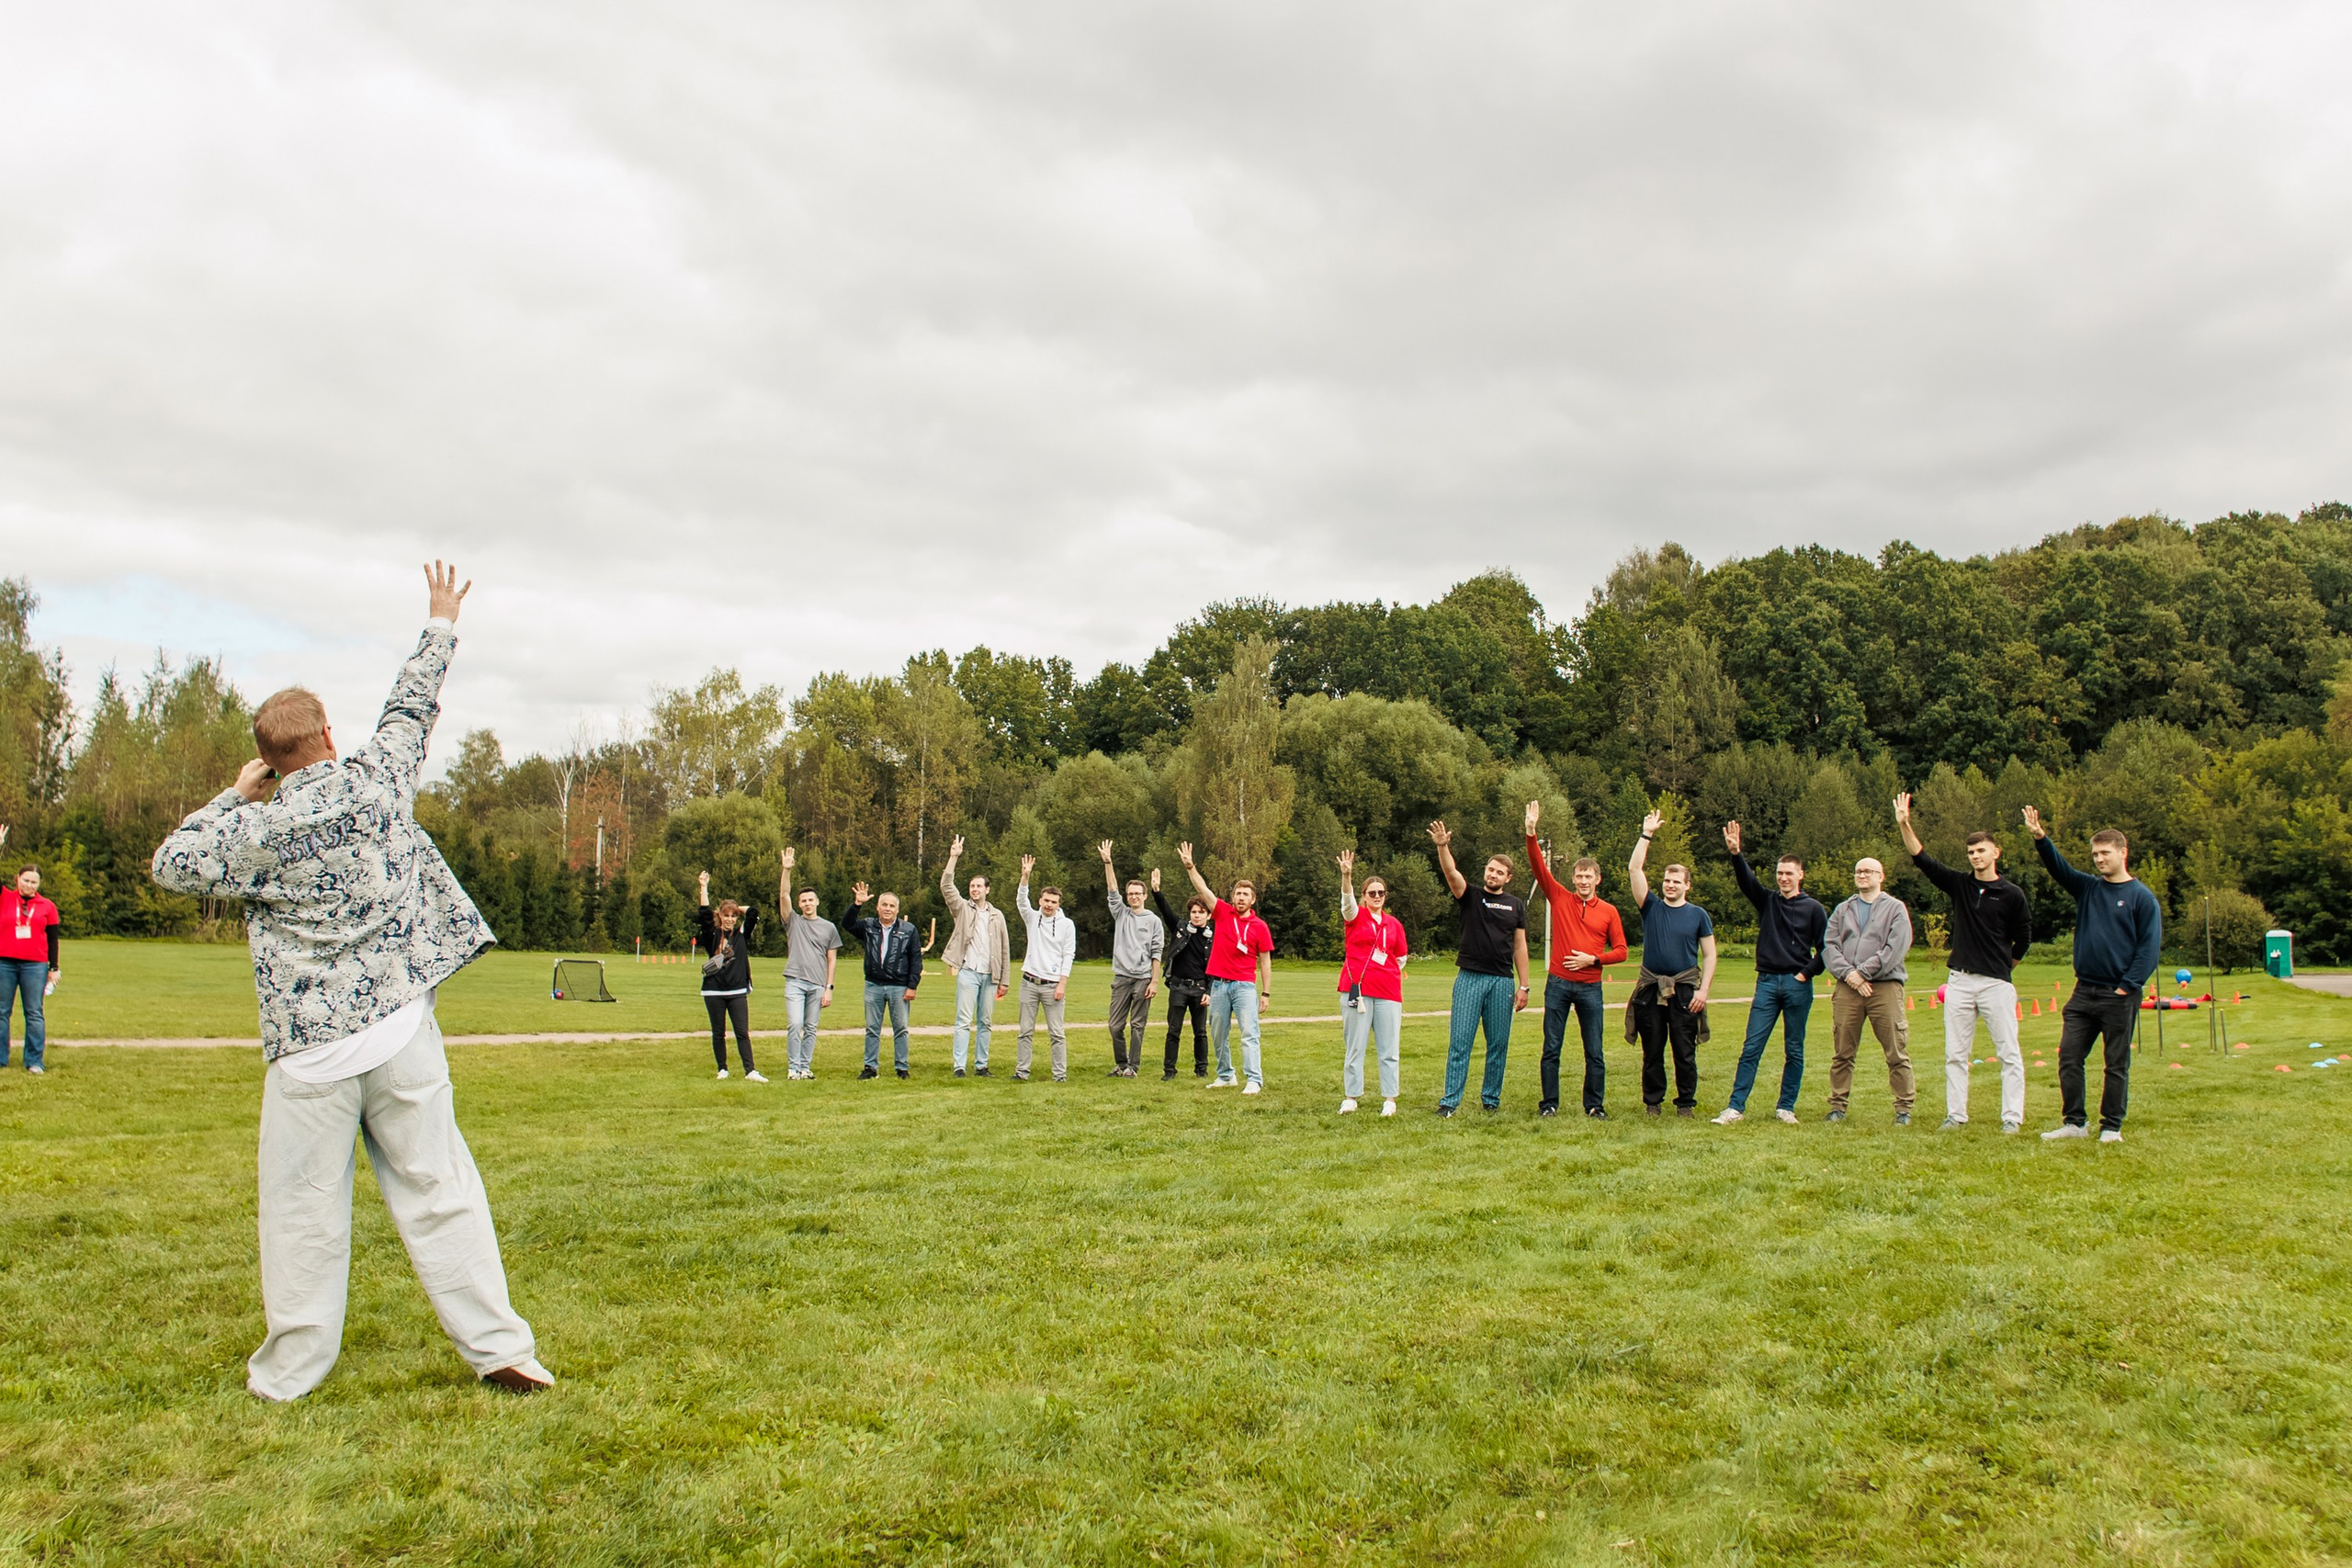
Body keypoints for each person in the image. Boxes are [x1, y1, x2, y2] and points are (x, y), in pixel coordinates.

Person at [149, 561, 548, 1400]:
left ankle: (290, 1372)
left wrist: (232, 796)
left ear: (269, 759)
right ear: (327, 732)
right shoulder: (375, 784)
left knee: (301, 1212)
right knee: (441, 1190)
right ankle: (501, 1348)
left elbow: (170, 863)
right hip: (402, 1030)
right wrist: (440, 620)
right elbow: (412, 709)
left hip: (310, 1054)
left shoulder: (254, 829)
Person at [1895, 793, 2033, 1132]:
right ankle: (1955, 1116)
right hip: (1959, 982)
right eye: (1971, 852)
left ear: (1995, 853)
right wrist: (1904, 823)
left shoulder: (2012, 894)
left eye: (1981, 851)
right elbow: (1922, 859)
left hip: (1996, 984)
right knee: (1955, 1054)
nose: (1975, 857)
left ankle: (2011, 1118)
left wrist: (2004, 965)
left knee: (2009, 1054)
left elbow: (2024, 937)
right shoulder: (1960, 885)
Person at [2026, 808, 2163, 1143]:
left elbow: (2149, 948)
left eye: (2105, 853)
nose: (2099, 859)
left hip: (2119, 995)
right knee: (2069, 1057)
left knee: (2115, 1064)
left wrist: (2127, 987)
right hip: (2083, 993)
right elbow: (2060, 869)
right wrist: (2040, 838)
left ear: (2122, 853)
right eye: (2095, 854)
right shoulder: (2088, 889)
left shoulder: (2142, 898)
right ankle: (2075, 1123)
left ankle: (2111, 1127)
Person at [1714, 824, 1827, 1125]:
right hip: (1766, 983)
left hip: (1797, 985)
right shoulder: (1767, 901)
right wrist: (1736, 853)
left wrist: (1805, 974)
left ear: (1800, 875)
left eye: (1789, 873)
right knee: (1751, 1047)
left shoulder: (1814, 909)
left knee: (1794, 1049)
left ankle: (1785, 1107)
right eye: (1779, 873)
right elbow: (1746, 882)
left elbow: (1826, 949)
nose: (1783, 878)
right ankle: (1735, 1107)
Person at [1524, 802, 1625, 1120]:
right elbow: (1539, 868)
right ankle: (1549, 1104)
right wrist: (1531, 832)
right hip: (1558, 985)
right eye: (1579, 876)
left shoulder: (1608, 911)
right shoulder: (1559, 897)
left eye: (1588, 876)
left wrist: (1593, 959)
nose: (1583, 881)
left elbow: (1622, 951)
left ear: (1598, 879)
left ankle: (1594, 1105)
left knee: (1594, 1051)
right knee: (1551, 1048)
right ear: (1573, 878)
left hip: (1590, 988)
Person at [1428, 818, 1529, 1116]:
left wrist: (1524, 985)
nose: (1493, 874)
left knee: (1498, 1045)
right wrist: (1443, 847)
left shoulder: (1515, 905)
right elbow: (1450, 872)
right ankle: (1449, 1102)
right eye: (1490, 869)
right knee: (1460, 1043)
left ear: (1508, 877)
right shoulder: (1470, 896)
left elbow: (1520, 946)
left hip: (1502, 982)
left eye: (1499, 872)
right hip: (1469, 979)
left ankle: (1491, 1101)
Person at [1625, 810, 1717, 1117]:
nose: (1670, 885)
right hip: (1652, 989)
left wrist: (1703, 991)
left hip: (1686, 990)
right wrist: (1646, 834)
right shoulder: (1650, 907)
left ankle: (1686, 1104)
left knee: (1684, 1050)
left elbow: (1710, 955)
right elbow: (1634, 868)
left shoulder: (1698, 915)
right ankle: (1653, 1102)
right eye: (1666, 880)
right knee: (1652, 1050)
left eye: (1676, 881)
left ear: (1687, 885)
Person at [1822, 857, 1916, 1123]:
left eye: (1868, 871)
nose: (1862, 875)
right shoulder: (1843, 909)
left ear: (1881, 876)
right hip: (1847, 988)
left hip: (1884, 987)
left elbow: (1895, 948)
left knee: (1896, 1051)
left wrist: (1862, 973)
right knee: (1842, 1051)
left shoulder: (1895, 909)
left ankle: (1903, 1109)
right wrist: (1850, 975)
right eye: (1858, 872)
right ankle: (1837, 1106)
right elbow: (1830, 946)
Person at [1179, 841, 1274, 1094]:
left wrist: (1265, 993)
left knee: (1249, 1033)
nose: (1241, 898)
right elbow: (1203, 889)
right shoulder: (1222, 913)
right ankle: (1225, 1075)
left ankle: (1254, 1079)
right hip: (1219, 984)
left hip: (1244, 986)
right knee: (1218, 1033)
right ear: (1233, 897)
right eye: (1237, 893)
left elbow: (1265, 961)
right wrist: (1191, 867)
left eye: (1246, 895)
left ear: (1252, 900)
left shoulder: (1259, 927)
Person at [1335, 849, 1408, 1116]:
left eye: (1381, 893)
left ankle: (1390, 1099)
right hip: (1357, 991)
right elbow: (1346, 903)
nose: (1377, 897)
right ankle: (1351, 1097)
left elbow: (1401, 957)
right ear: (1364, 896)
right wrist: (1347, 876)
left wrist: (1385, 972)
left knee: (1389, 1048)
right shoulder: (1355, 918)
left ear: (1385, 896)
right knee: (1355, 1047)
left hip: (1388, 991)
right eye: (1372, 893)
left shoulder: (1394, 924)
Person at [939, 836, 1009, 1078]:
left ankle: (981, 1065)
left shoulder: (997, 916)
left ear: (987, 890)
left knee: (985, 1022)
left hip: (990, 976)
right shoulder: (961, 908)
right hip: (968, 972)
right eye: (972, 886)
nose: (975, 889)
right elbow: (947, 886)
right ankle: (960, 1066)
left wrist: (1004, 980)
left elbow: (1004, 951)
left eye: (979, 886)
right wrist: (954, 857)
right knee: (963, 1021)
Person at [840, 883, 922, 1079]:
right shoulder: (868, 926)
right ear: (877, 907)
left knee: (901, 1029)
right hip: (873, 985)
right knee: (872, 1029)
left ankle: (902, 1068)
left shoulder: (909, 930)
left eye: (891, 906)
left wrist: (912, 986)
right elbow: (847, 924)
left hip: (899, 987)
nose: (887, 909)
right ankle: (870, 1068)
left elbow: (916, 959)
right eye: (884, 905)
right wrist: (857, 905)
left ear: (898, 910)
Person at [1101, 841, 1165, 1077]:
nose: (1134, 897)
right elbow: (1112, 890)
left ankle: (1133, 1067)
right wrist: (1108, 863)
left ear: (1145, 896)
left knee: (1137, 1025)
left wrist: (1154, 981)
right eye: (1131, 894)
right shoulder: (1121, 914)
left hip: (1143, 979)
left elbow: (1157, 953)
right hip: (1121, 978)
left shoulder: (1154, 921)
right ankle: (1121, 1063)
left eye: (1138, 893)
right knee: (1115, 1025)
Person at [776, 848, 841, 1079]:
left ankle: (805, 1067)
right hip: (795, 981)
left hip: (817, 985)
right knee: (795, 1025)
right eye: (803, 900)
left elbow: (831, 960)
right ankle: (793, 1069)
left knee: (811, 1028)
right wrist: (786, 870)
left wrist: (829, 988)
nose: (807, 903)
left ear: (817, 902)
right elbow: (784, 896)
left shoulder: (829, 927)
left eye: (810, 899)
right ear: (799, 904)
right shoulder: (792, 921)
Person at [694, 873, 764, 1082]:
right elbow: (705, 914)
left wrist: (735, 906)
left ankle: (750, 1071)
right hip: (713, 990)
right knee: (719, 1033)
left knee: (742, 1032)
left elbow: (753, 913)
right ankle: (722, 1068)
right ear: (720, 917)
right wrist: (703, 887)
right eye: (726, 915)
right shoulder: (711, 935)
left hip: (737, 991)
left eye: (733, 916)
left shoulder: (741, 934)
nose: (730, 919)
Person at [0, 840, 61, 1076]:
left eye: (33, 881)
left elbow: (53, 940)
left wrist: (53, 968)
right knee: (2, 1012)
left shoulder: (48, 906)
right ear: (17, 879)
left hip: (34, 966)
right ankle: (1, 1058)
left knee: (34, 1013)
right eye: (25, 880)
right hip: (4, 962)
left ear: (39, 884)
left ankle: (34, 1060)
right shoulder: (4, 897)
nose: (29, 885)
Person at [1014, 857, 1078, 1082]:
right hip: (1029, 982)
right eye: (1046, 901)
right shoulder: (1032, 918)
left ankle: (1059, 1075)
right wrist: (1026, 875)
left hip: (1053, 986)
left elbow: (1068, 954)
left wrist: (1062, 983)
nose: (1049, 905)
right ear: (1040, 900)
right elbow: (1021, 900)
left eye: (1053, 902)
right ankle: (1022, 1072)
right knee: (1025, 1031)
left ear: (1059, 904)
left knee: (1057, 1033)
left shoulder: (1067, 925)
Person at [1151, 869, 1214, 1079]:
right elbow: (1166, 911)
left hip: (1200, 989)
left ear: (1208, 915)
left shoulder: (1212, 939)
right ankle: (1169, 1071)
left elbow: (1214, 967)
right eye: (1194, 912)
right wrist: (1156, 891)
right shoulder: (1180, 928)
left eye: (1201, 912)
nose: (1196, 915)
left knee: (1201, 1033)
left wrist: (1209, 990)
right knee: (1173, 1031)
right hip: (1178, 987)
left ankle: (1201, 1070)